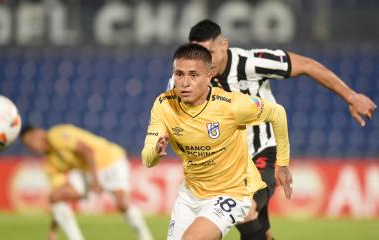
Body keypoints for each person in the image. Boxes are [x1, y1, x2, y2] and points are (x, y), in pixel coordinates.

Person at [167, 19, 377, 240]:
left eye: (209, 52)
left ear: (224, 45)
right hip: (225, 164)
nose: (204, 61)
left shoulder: (251, 63)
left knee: (245, 209)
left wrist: (351, 96)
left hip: (261, 153)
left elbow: (306, 65)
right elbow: (170, 112)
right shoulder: (186, 77)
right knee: (258, 229)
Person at [142, 43, 292, 240]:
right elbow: (147, 159)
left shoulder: (231, 105)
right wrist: (155, 152)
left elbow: (277, 112)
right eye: (179, 74)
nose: (185, 82)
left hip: (232, 192)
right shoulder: (164, 105)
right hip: (190, 195)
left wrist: (282, 163)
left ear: (208, 77)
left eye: (193, 75)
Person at [21, 124, 154, 240]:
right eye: (28, 145)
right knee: (55, 196)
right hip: (87, 170)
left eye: (31, 140)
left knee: (122, 205)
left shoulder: (56, 135)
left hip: (110, 161)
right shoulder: (50, 164)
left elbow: (87, 151)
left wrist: (95, 180)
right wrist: (52, 230)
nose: (33, 146)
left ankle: (145, 236)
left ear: (39, 132)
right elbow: (57, 197)